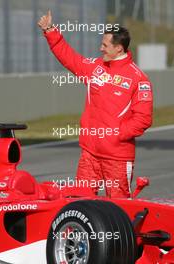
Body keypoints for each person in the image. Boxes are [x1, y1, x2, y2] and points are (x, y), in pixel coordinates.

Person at [38, 11, 153, 198]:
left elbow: (143, 119)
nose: (100, 48)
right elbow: (70, 58)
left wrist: (116, 134)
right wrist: (50, 31)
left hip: (117, 158)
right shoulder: (95, 67)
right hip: (89, 154)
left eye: (105, 45)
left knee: (118, 209)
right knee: (79, 203)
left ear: (119, 48)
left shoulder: (139, 79)